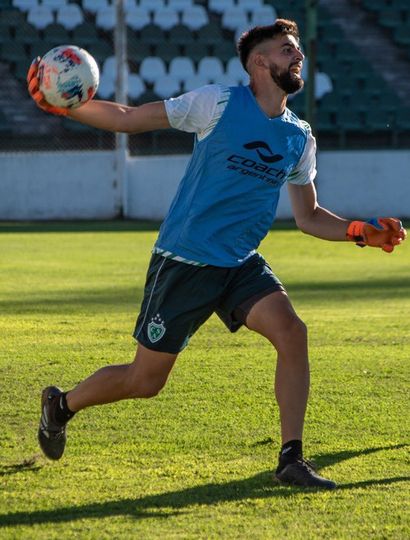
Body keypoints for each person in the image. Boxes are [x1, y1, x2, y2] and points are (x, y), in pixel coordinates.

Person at [28, 20, 406, 490]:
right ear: (259, 62)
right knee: (145, 381)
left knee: (292, 332)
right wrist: (65, 107)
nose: (298, 56)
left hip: (241, 262)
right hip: (185, 261)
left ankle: (291, 458)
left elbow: (308, 216)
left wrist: (357, 231)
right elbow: (128, 117)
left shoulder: (299, 136)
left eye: (298, 49)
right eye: (287, 49)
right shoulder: (218, 102)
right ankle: (61, 405)